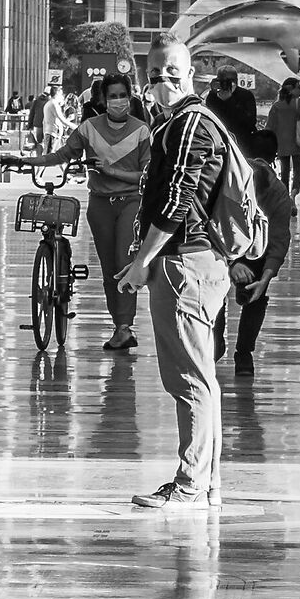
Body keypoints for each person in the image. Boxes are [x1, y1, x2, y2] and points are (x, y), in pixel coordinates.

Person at [120, 39, 234, 510]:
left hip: (185, 262)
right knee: (200, 377)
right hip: (191, 261)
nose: (162, 82)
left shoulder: (190, 124)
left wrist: (144, 260)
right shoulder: (175, 124)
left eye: (172, 72)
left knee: (188, 379)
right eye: (154, 73)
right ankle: (205, 483)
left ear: (191, 74)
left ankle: (191, 483)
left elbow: (176, 201)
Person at [8, 72, 154, 352]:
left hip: (131, 203)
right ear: (103, 99)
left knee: (124, 263)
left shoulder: (142, 131)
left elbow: (145, 176)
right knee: (110, 269)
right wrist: (25, 160)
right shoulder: (88, 128)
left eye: (122, 96)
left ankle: (125, 326)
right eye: (112, 96)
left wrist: (110, 171)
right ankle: (119, 327)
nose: (118, 101)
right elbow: (62, 155)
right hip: (99, 204)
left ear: (131, 97)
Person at [216, 130, 295, 377]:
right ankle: (215, 344)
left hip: (257, 248)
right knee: (214, 290)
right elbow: (212, 227)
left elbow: (279, 240)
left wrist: (266, 277)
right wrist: (231, 264)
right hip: (222, 242)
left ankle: (244, 352)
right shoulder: (227, 184)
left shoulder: (279, 196)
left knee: (255, 295)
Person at [267, 77, 300, 194]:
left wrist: (268, 146)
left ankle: (285, 196)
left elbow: (269, 128)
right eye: (298, 87)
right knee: (298, 172)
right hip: (299, 144)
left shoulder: (276, 106)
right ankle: (293, 193)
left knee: (284, 172)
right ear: (292, 89)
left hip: (281, 145)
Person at [204, 67, 260, 143]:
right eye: (222, 81)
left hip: (242, 141)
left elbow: (250, 122)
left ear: (236, 81)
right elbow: (210, 119)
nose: (225, 85)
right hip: (219, 139)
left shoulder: (245, 95)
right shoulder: (212, 96)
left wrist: (230, 100)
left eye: (228, 82)